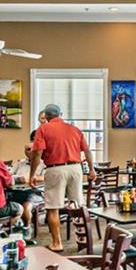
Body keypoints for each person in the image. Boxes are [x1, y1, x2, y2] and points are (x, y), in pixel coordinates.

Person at [29, 104, 88, 251]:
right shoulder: (74, 129)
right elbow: (87, 151)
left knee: (53, 208)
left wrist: (32, 174)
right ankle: (84, 240)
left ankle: (57, 243)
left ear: (46, 116)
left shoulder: (43, 129)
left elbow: (37, 153)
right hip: (76, 168)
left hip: (55, 169)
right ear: (60, 114)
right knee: (78, 205)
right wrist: (92, 169)